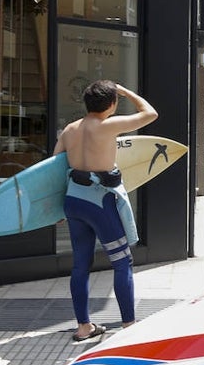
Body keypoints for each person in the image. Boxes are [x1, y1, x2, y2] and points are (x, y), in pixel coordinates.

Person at [54, 80, 157, 342]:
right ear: (111, 104)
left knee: (80, 265)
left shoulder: (69, 130)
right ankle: (129, 325)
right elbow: (150, 113)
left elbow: (53, 170)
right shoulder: (108, 125)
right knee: (122, 262)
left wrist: (56, 210)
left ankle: (83, 326)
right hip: (100, 202)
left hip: (73, 200)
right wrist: (126, 92)